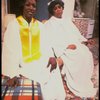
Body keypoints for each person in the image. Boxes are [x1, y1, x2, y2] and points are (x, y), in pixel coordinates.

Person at [2, 0, 66, 99]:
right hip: (23, 63)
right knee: (40, 78)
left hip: (40, 59)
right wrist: (12, 74)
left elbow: (46, 44)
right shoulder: (14, 25)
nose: (31, 8)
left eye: (34, 6)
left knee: (54, 68)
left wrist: (51, 57)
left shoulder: (40, 25)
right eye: (28, 5)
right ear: (23, 6)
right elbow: (9, 50)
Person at [44, 0, 97, 99]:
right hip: (63, 47)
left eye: (59, 7)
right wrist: (65, 47)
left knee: (86, 53)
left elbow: (76, 34)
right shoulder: (49, 24)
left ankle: (84, 80)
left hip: (74, 44)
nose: (58, 9)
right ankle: (78, 84)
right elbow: (51, 40)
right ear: (52, 11)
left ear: (62, 8)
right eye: (55, 8)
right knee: (74, 56)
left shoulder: (67, 20)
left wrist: (84, 41)